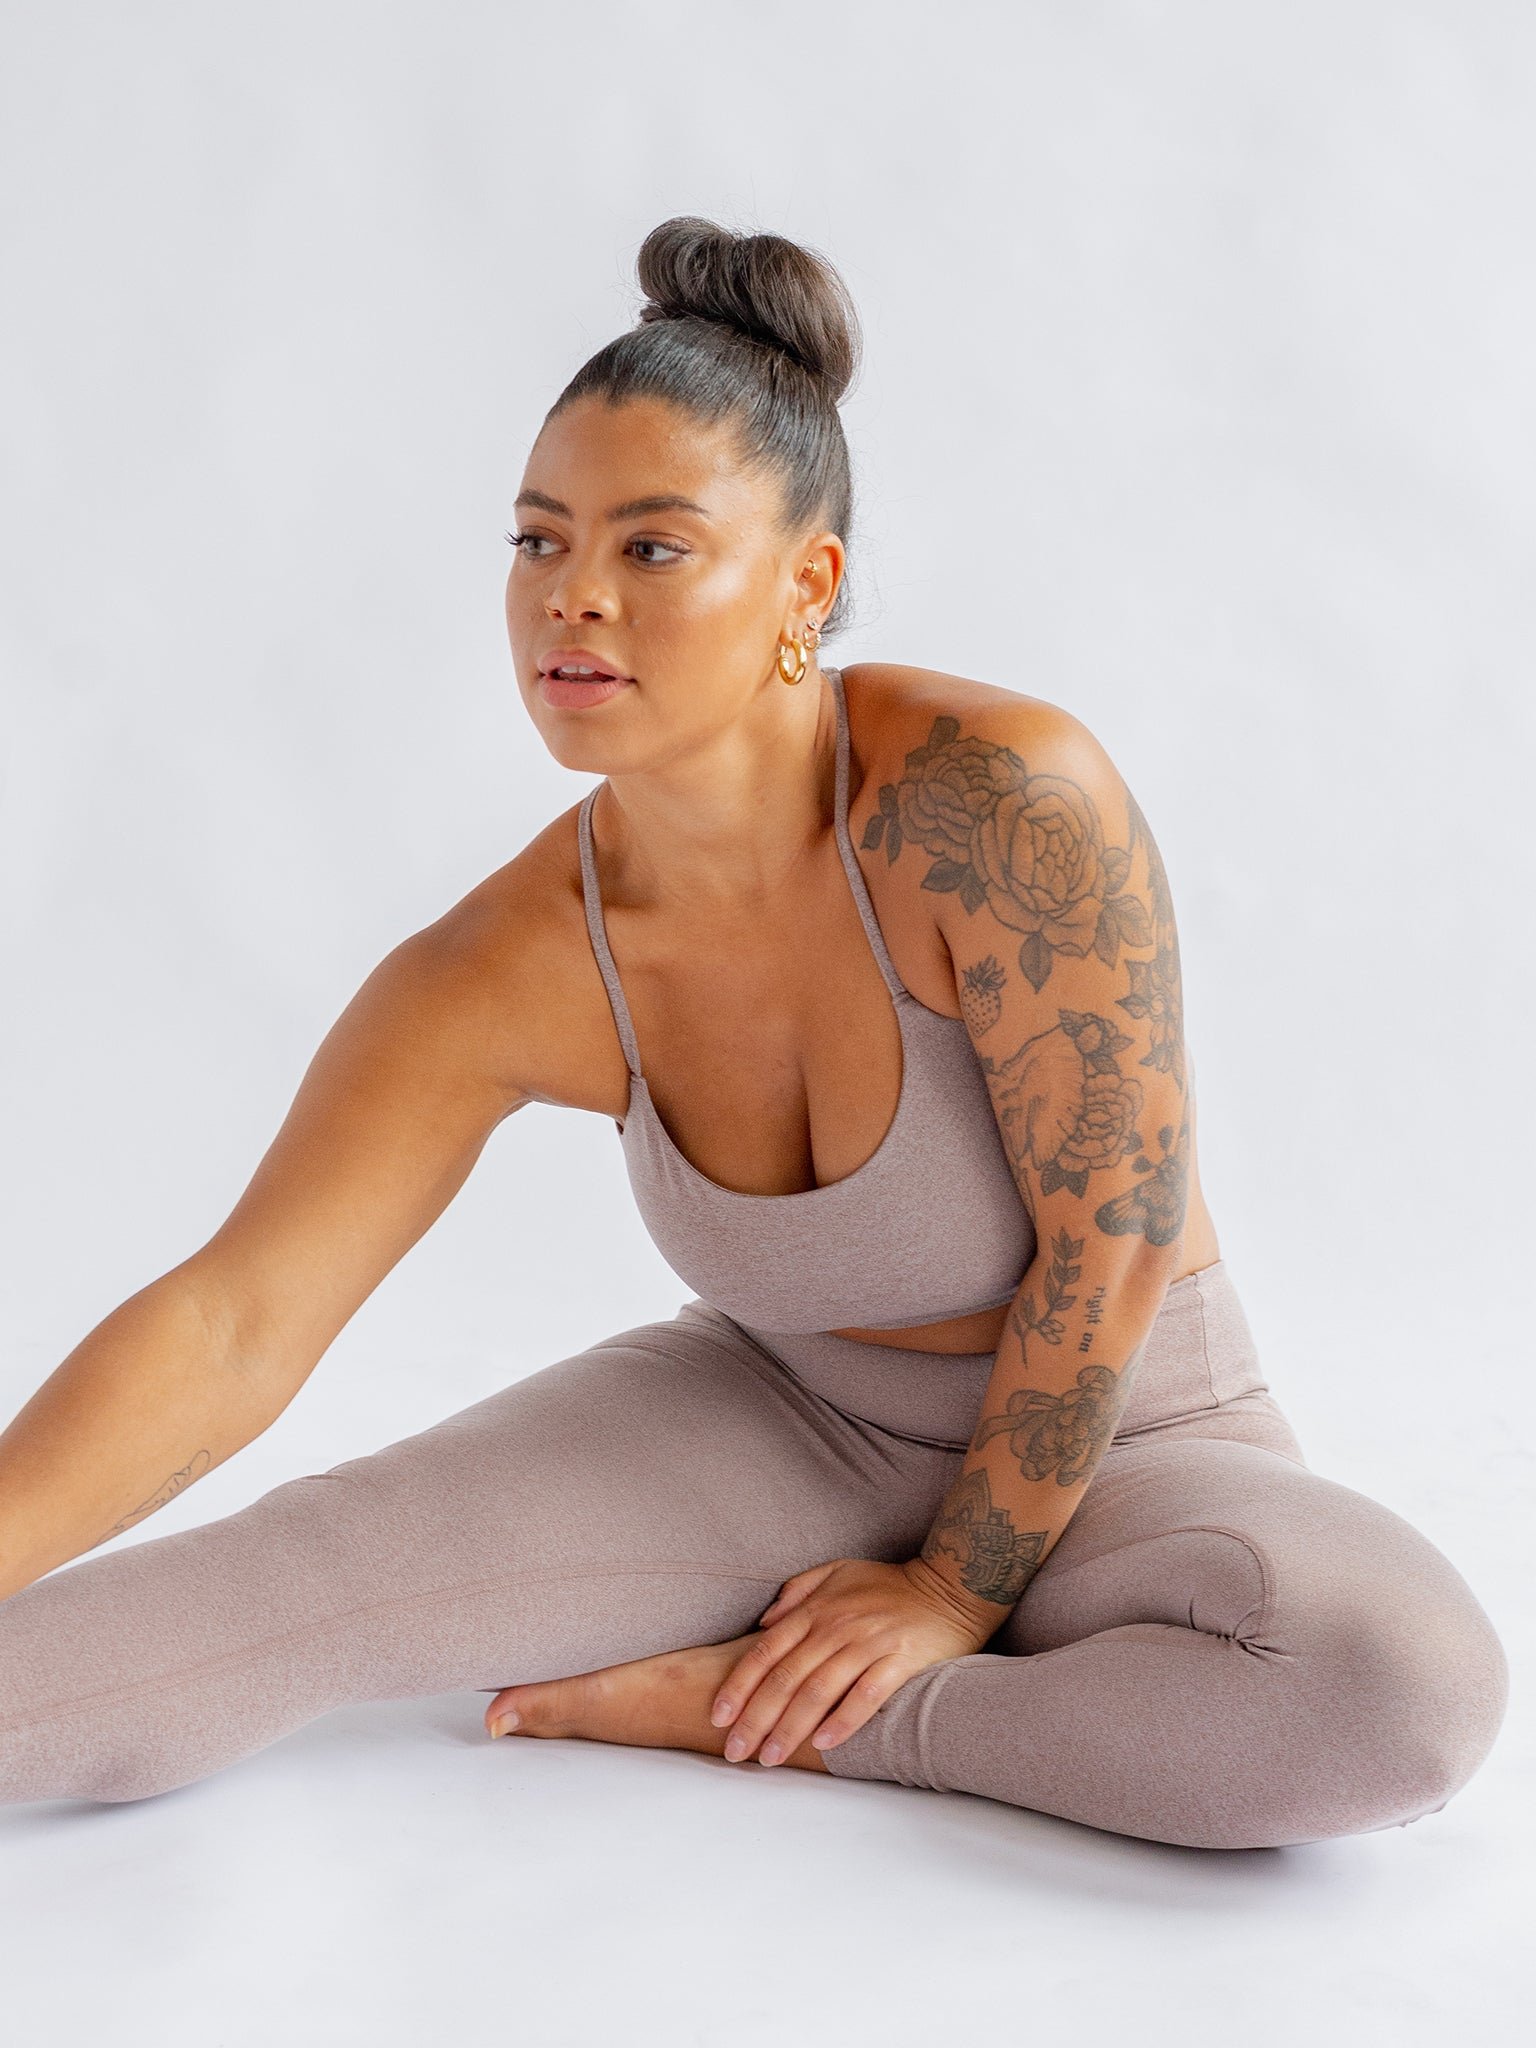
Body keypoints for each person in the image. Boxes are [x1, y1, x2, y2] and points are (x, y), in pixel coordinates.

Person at [0, 217, 1508, 1850]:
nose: (571, 596)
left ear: (809, 585)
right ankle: (944, 1690)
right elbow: (233, 1324)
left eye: (652, 548)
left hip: (1131, 1436)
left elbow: (1115, 1234)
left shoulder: (993, 800)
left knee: (1397, 1691)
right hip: (773, 1430)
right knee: (273, 1591)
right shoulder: (503, 966)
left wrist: (947, 1597)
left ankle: (767, 1712)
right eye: (535, 540)